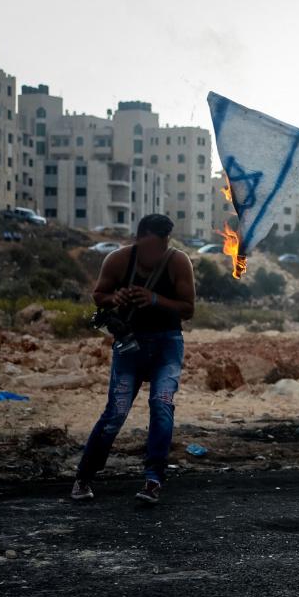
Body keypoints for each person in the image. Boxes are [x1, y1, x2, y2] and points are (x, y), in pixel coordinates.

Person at [71, 214, 195, 505]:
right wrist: (116, 298)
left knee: (162, 406)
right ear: (138, 240)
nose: (157, 252)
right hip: (129, 343)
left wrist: (154, 299)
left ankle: (154, 480)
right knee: (116, 412)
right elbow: (98, 295)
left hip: (167, 343)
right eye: (152, 246)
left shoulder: (178, 262)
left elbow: (188, 309)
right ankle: (84, 476)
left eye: (162, 245)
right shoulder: (117, 260)